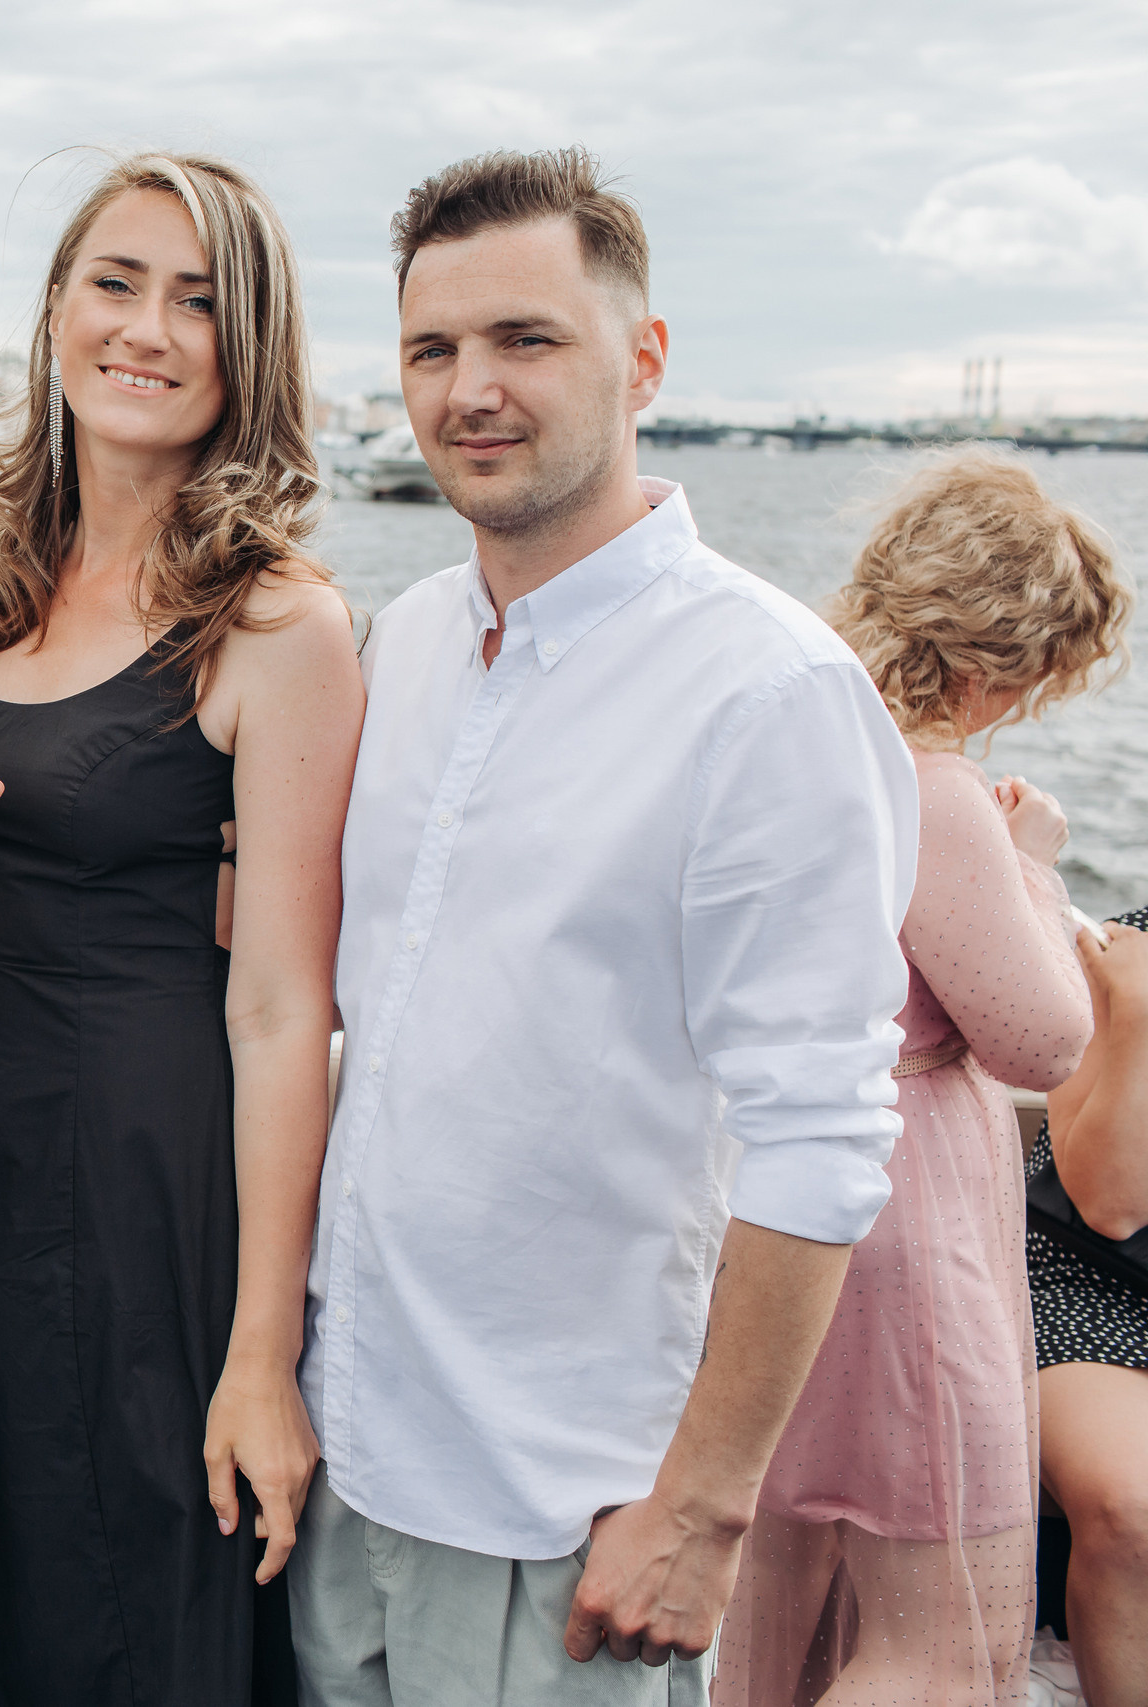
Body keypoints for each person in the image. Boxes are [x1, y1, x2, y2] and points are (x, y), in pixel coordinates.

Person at [285, 147, 921, 1707]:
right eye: (432, 348)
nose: (470, 390)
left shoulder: (769, 690)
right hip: (349, 1451)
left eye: (526, 338)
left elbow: (822, 1132)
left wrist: (702, 1509)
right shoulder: (407, 640)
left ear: (643, 359)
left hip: (565, 1501)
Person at [0, 151, 361, 1705]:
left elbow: (282, 1007)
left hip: (150, 1176)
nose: (145, 328)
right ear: (56, 310)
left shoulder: (275, 620)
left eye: (196, 301)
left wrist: (262, 1350)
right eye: (115, 283)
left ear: (247, 347)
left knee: (128, 1597)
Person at [715, 450, 1123, 1704]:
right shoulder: (934, 791)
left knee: (781, 1594)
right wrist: (1031, 862)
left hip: (773, 1199)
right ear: (1002, 660)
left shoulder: (789, 741)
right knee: (936, 1643)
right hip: (907, 1218)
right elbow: (1043, 1043)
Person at [1036, 918, 1148, 1707]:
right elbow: (1111, 1203)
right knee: (1131, 1506)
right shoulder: (1121, 953)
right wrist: (1139, 1016)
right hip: (1090, 1285)